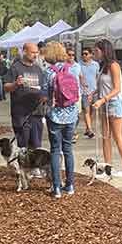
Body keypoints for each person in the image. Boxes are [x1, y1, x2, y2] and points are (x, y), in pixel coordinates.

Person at [43, 42, 81, 198]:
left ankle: (56, 187)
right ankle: (70, 185)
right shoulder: (71, 68)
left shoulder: (48, 72)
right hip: (71, 114)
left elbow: (45, 94)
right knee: (68, 150)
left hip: (55, 115)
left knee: (55, 150)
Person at [93, 39, 122, 178]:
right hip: (105, 104)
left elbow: (117, 88)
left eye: (97, 51)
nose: (95, 53)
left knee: (117, 137)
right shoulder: (102, 66)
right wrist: (93, 94)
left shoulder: (114, 65)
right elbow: (102, 86)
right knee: (105, 137)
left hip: (115, 103)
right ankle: (107, 167)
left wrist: (102, 99)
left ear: (104, 51)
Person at [4, 43, 46, 149]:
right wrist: (15, 84)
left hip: (36, 113)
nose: (35, 55)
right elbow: (6, 87)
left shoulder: (38, 69)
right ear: (24, 52)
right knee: (23, 147)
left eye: (37, 52)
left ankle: (34, 166)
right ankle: (24, 166)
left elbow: (43, 87)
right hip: (21, 115)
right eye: (32, 52)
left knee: (36, 147)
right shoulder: (15, 68)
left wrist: (45, 97)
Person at [63, 47, 83, 142]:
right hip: (66, 95)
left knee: (78, 114)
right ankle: (71, 133)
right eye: (69, 54)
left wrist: (85, 87)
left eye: (73, 55)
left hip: (77, 94)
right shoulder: (63, 66)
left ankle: (72, 130)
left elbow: (81, 77)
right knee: (69, 114)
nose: (71, 56)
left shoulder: (77, 66)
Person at [80, 48, 100, 138]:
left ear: (91, 55)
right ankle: (90, 129)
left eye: (86, 53)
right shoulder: (79, 65)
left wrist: (97, 88)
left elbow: (97, 77)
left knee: (93, 110)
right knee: (86, 110)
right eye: (83, 54)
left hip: (94, 90)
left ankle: (88, 128)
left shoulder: (96, 64)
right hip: (84, 91)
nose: (84, 55)